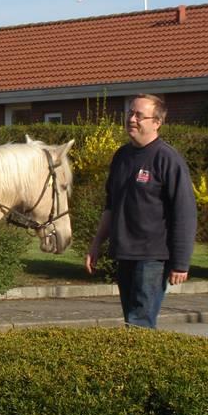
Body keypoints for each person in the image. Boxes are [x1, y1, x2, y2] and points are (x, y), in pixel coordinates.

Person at [85, 94, 197, 328]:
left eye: (139, 115)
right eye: (130, 113)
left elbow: (184, 213)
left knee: (139, 323)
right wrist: (96, 244)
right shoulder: (121, 156)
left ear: (157, 122)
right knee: (132, 320)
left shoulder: (167, 159)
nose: (132, 119)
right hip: (124, 253)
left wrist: (181, 263)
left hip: (153, 257)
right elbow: (111, 206)